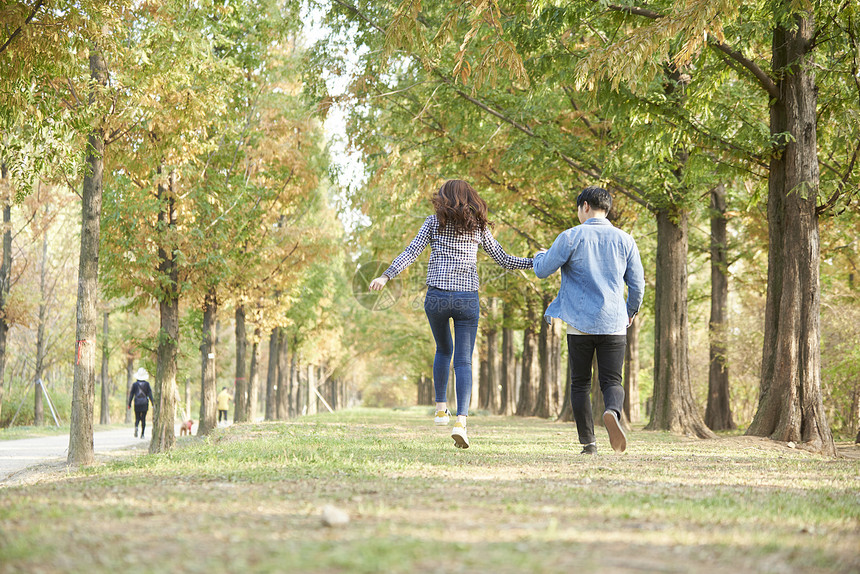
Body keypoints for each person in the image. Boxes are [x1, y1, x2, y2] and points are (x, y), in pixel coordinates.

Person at [370, 179, 533, 449]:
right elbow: (503, 258)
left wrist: (386, 276)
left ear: (443, 198)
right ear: (471, 198)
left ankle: (440, 409)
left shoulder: (433, 223)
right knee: (463, 361)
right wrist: (534, 262)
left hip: (436, 297)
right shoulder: (478, 227)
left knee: (443, 350)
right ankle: (461, 421)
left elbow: (411, 252)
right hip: (467, 299)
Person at [533, 186, 644, 454]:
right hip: (614, 322)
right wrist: (630, 311)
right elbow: (638, 284)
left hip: (579, 323)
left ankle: (589, 445)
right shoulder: (625, 239)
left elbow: (543, 269)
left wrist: (538, 255)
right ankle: (612, 411)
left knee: (580, 382)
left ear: (585, 206)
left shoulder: (571, 236)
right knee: (612, 381)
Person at [128, 367, 154, 439]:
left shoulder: (135, 384)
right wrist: (153, 403)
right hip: (144, 403)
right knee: (143, 419)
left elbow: (131, 394)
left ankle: (136, 426)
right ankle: (142, 434)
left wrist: (129, 404)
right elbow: (150, 394)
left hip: (137, 403)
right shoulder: (147, 384)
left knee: (137, 418)